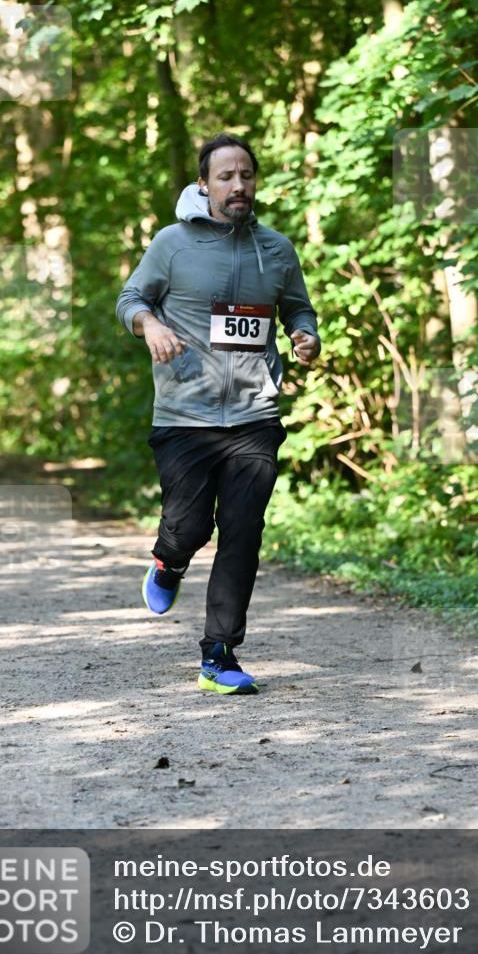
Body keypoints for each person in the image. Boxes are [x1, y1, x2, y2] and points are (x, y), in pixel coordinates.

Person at [115, 132, 320, 696]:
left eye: (246, 176)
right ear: (203, 184)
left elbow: (298, 307)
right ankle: (169, 560)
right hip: (185, 413)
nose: (238, 186)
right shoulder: (172, 244)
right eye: (225, 177)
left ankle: (219, 654)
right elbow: (130, 299)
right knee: (189, 526)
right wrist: (151, 324)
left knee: (243, 531)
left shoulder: (276, 249)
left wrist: (305, 335)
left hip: (255, 413)